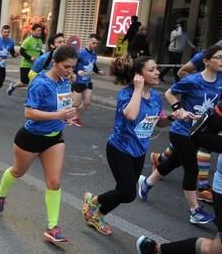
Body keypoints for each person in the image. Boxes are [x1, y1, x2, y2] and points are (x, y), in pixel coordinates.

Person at [0, 45, 79, 242]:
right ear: (54, 63)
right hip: (31, 137)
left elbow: (63, 104)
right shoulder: (40, 83)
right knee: (17, 172)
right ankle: (0, 192)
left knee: (54, 182)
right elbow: (29, 113)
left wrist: (66, 116)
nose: (70, 71)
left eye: (73, 67)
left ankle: (53, 227)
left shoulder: (65, 81)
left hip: (55, 137)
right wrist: (57, 114)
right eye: (66, 67)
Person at [137, 45, 222, 224]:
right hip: (181, 131)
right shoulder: (193, 80)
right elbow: (170, 93)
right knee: (192, 169)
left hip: (200, 131)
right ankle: (194, 211)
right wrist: (180, 110)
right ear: (206, 61)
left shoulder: (221, 79)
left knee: (172, 163)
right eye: (219, 57)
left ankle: (147, 183)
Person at [81, 55, 165, 235]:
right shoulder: (126, 94)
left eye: (156, 68)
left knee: (122, 191)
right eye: (151, 70)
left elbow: (159, 121)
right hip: (120, 149)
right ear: (138, 75)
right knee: (128, 193)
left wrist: (176, 118)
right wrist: (138, 90)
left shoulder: (157, 96)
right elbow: (131, 115)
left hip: (139, 150)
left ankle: (97, 215)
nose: (157, 72)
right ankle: (94, 201)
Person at [70, 34, 103, 127]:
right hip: (78, 81)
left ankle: (75, 117)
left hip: (88, 82)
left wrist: (98, 71)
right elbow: (72, 64)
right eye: (93, 43)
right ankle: (63, 113)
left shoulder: (94, 55)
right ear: (88, 42)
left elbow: (93, 65)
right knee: (75, 103)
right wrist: (77, 71)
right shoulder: (81, 53)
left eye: (97, 43)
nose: (95, 45)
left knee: (87, 103)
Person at [8, 23, 44, 95]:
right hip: (25, 65)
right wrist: (30, 58)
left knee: (35, 82)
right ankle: (13, 86)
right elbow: (21, 51)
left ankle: (31, 98)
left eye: (40, 30)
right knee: (24, 83)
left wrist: (44, 57)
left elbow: (39, 51)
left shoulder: (40, 40)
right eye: (38, 30)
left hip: (35, 66)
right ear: (33, 31)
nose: (40, 32)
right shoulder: (28, 40)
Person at [0, 25, 17, 101]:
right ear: (1, 32)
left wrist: (16, 54)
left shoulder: (11, 41)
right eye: (5, 32)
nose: (6, 33)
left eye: (8, 32)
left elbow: (12, 52)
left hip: (2, 65)